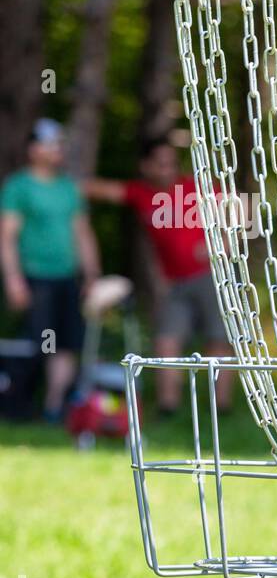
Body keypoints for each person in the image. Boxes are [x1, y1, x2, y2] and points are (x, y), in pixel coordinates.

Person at [83, 137, 232, 413]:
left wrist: (219, 245)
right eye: (160, 163)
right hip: (175, 282)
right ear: (146, 166)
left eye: (171, 163)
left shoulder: (198, 187)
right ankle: (168, 407)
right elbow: (100, 189)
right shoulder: (141, 193)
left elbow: (235, 219)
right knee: (166, 337)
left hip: (212, 276)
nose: (167, 168)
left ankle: (220, 407)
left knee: (218, 339)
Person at [0, 119, 101, 422]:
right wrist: (13, 279)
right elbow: (7, 237)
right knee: (38, 342)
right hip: (35, 277)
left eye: (60, 143)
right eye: (51, 143)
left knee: (67, 343)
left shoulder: (68, 188)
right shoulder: (19, 186)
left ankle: (54, 408)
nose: (58, 149)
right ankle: (17, 407)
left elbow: (82, 233)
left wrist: (92, 274)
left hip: (66, 277)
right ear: (34, 149)